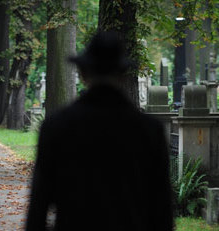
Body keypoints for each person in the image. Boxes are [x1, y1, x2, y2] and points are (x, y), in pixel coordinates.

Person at [26, 32, 174, 230]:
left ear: (84, 73)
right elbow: (162, 207)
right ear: (122, 75)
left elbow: (39, 203)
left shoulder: (57, 125)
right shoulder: (148, 130)